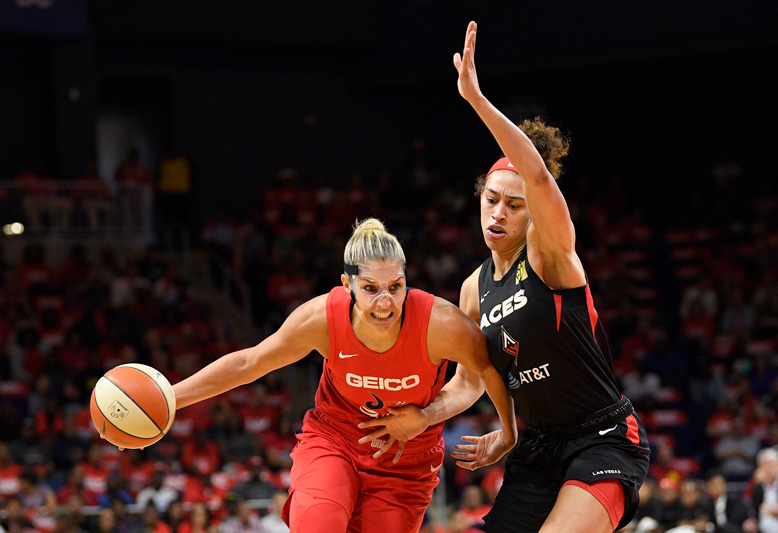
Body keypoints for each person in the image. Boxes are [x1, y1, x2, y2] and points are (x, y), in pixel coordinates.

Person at [359, 21, 650, 533]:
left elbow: (537, 175)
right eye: (491, 200)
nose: (498, 213)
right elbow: (469, 381)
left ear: (533, 214)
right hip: (537, 449)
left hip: (602, 438)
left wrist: (474, 99)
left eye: (514, 206)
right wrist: (425, 417)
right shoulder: (473, 289)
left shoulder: (550, 256)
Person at [149, 218, 516, 533]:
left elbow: (480, 377)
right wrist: (169, 399)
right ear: (347, 284)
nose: (385, 301)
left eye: (396, 287)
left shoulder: (441, 323)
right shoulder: (321, 319)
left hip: (405, 459)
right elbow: (250, 363)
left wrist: (431, 417)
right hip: (335, 439)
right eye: (370, 289)